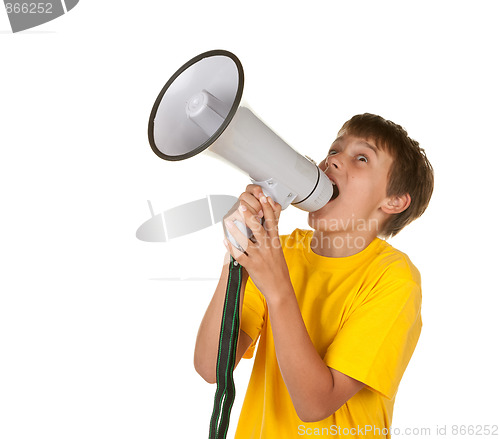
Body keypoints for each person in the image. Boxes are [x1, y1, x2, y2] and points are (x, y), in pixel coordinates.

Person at [194, 113, 434, 438]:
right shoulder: (284, 251)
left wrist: (277, 288)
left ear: (393, 201)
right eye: (334, 150)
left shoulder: (393, 278)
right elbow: (212, 366)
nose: (333, 160)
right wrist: (238, 250)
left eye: (361, 158)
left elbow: (315, 404)